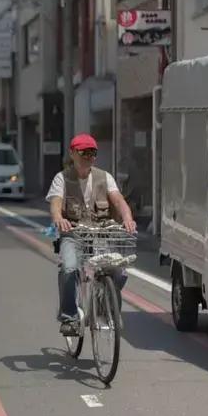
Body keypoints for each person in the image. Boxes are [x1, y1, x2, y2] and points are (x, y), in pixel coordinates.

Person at [47, 134, 137, 336]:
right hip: (73, 233)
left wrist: (128, 218)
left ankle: (104, 305)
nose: (89, 157)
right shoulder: (62, 178)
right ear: (72, 153)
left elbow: (118, 201)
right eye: (84, 152)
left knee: (119, 272)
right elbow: (55, 203)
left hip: (102, 233)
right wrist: (58, 219)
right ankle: (69, 318)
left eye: (93, 153)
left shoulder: (105, 177)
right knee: (69, 268)